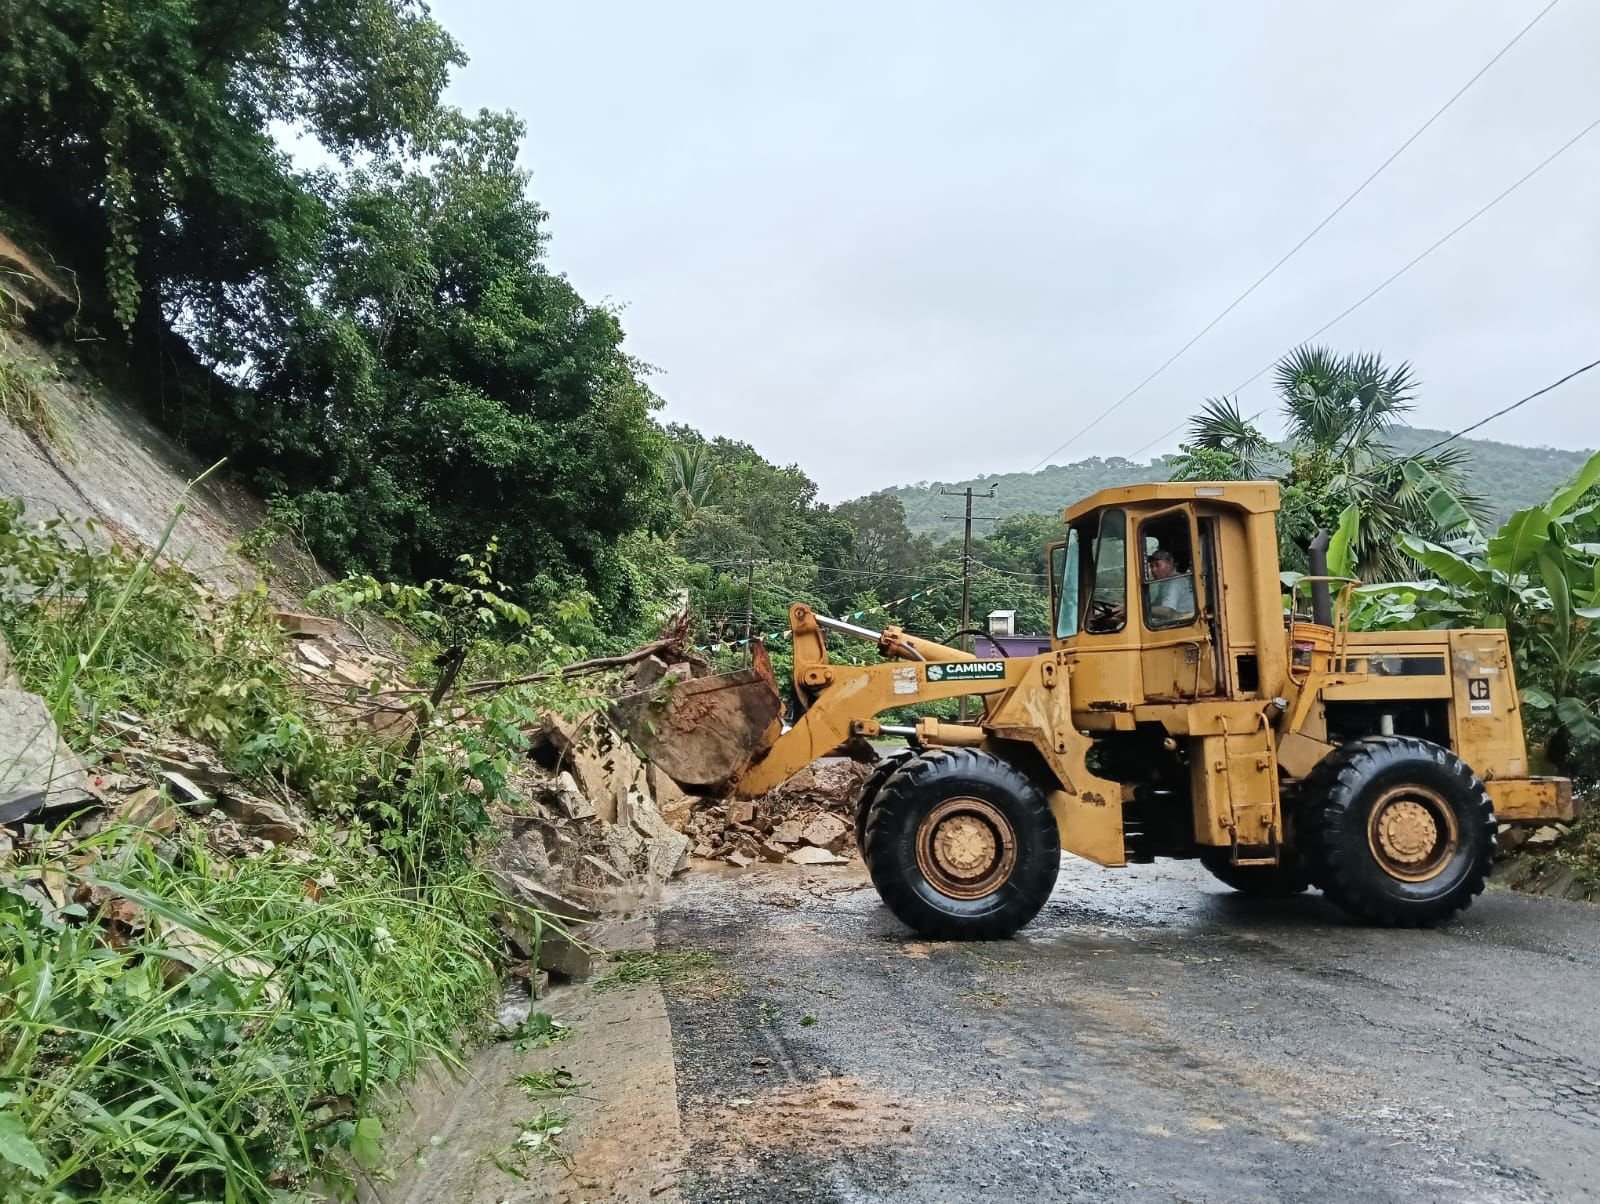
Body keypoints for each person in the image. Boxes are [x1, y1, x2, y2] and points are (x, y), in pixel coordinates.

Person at [1145, 548, 1195, 624]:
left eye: (1157, 565)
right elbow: (1155, 605)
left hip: (1183, 623)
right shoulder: (1166, 583)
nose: (1153, 570)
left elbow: (1167, 612)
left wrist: (1137, 610)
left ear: (1170, 563)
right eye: (1151, 566)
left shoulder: (1175, 582)